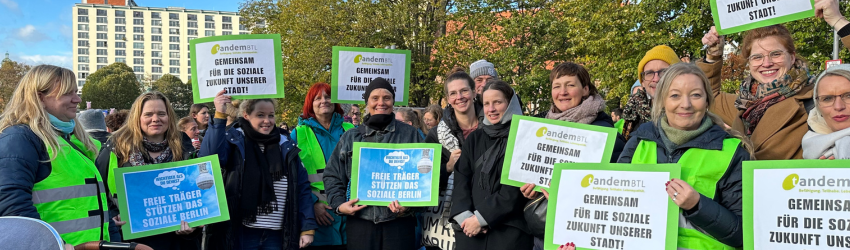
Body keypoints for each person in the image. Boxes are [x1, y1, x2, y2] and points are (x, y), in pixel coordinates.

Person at [618, 63, 753, 249]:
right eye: (675, 95)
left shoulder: (732, 151)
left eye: (696, 95)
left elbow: (744, 234)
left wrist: (698, 206)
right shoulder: (639, 140)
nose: (686, 104)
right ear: (663, 100)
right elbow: (615, 208)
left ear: (707, 100)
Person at [698, 23, 850, 160]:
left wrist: (838, 21)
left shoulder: (819, 101)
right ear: (749, 63)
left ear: (792, 57)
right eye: (757, 57)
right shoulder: (744, 104)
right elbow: (709, 96)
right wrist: (713, 55)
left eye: (776, 54)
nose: (767, 63)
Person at [0, 65, 110, 246]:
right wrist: (58, 245)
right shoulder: (20, 139)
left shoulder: (69, 141)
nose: (77, 99)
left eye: (76, 92)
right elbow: (11, 206)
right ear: (40, 97)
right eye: (68, 93)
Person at [521, 62, 626, 250]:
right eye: (556, 86)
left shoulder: (604, 135)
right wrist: (531, 188)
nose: (563, 92)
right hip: (544, 233)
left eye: (570, 85)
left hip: (583, 234)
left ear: (585, 89)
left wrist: (568, 195)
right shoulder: (542, 128)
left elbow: (613, 191)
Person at [200, 91, 317, 250]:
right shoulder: (234, 140)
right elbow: (210, 157)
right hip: (241, 233)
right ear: (246, 115)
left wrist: (307, 227)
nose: (267, 121)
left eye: (271, 115)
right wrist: (220, 113)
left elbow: (302, 187)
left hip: (277, 235)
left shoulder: (286, 145)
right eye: (260, 115)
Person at [323, 78, 424, 250]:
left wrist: (410, 205)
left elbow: (425, 176)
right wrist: (340, 205)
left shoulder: (411, 135)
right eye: (375, 98)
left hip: (398, 223)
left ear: (393, 101)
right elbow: (332, 175)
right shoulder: (351, 137)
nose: (381, 103)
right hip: (361, 222)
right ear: (367, 102)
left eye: (387, 98)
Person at [95, 91, 199, 249]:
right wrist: (111, 217)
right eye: (148, 114)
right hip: (132, 241)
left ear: (169, 117)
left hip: (177, 241)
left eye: (161, 114)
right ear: (138, 117)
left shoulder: (184, 146)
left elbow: (197, 194)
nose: (155, 119)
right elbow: (97, 191)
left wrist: (194, 224)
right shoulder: (117, 148)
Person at [450, 80, 533, 250]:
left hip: (509, 232)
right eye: (486, 103)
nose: (491, 109)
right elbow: (461, 178)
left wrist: (482, 218)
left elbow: (514, 189)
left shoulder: (525, 138)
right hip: (470, 231)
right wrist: (466, 217)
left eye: (498, 102)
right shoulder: (475, 138)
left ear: (510, 104)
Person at [289, 83, 355, 250]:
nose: (324, 101)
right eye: (317, 98)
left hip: (351, 216)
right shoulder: (298, 133)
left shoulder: (351, 130)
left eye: (328, 96)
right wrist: (312, 205)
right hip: (318, 219)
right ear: (310, 104)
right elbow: (292, 177)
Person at [423, 70, 481, 250]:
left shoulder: (492, 127)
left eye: (464, 91)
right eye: (453, 93)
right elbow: (425, 179)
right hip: (449, 217)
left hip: (486, 212)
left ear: (474, 92)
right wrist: (447, 167)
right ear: (448, 99)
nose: (460, 97)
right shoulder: (435, 135)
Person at [621, 45, 681, 140]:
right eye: (649, 73)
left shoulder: (689, 116)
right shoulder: (631, 116)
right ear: (643, 82)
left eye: (664, 72)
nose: (656, 79)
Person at [803, 65, 850, 159]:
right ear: (818, 107)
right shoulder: (811, 148)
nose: (838, 106)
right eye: (827, 98)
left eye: (849, 96)